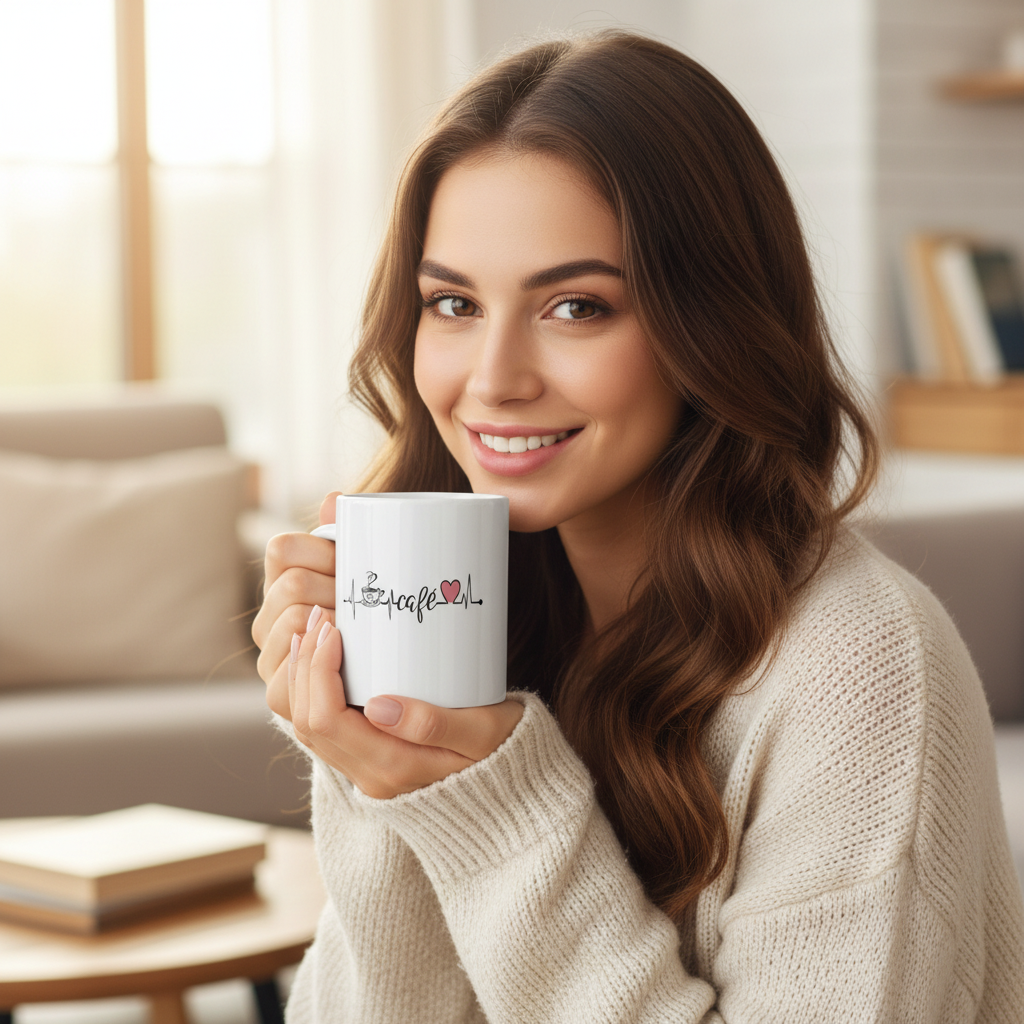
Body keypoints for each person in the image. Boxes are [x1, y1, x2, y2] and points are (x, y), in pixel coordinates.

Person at [252, 31, 1024, 1022]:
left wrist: (494, 808)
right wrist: (379, 769)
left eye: (576, 307)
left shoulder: (858, 667)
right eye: (452, 303)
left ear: (711, 324)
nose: (493, 379)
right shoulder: (485, 616)